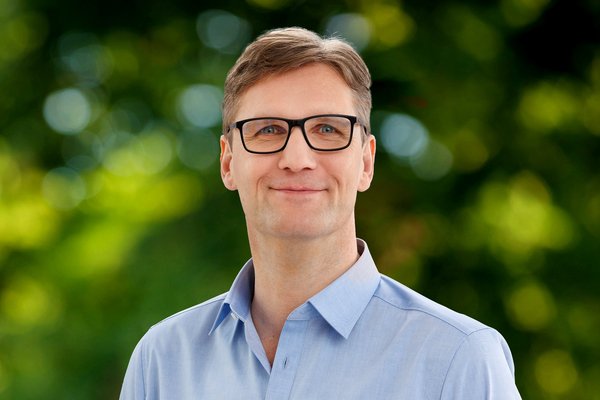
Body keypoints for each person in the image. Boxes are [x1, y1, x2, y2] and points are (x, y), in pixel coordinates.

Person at [120, 27, 522, 399]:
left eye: (328, 129)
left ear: (366, 162)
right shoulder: (162, 360)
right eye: (268, 130)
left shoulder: (458, 359)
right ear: (228, 163)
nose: (297, 159)